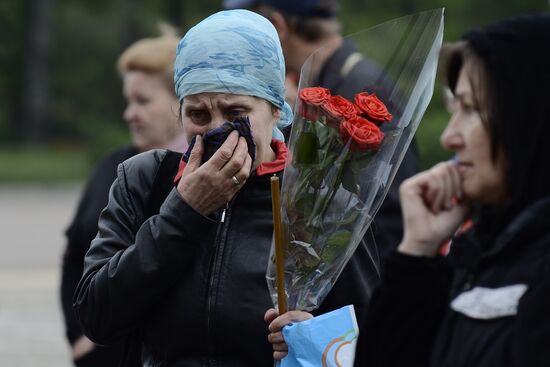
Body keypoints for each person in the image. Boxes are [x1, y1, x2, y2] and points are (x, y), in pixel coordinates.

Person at [73, 9, 378, 366]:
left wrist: (316, 339)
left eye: (236, 113)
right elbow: (96, 316)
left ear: (276, 110)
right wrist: (183, 213)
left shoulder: (317, 199)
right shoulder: (145, 180)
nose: (218, 131)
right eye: (198, 115)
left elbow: (375, 337)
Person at [268, 13, 550, 366]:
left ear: (531, 119)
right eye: (453, 110)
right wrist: (417, 254)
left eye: (472, 110)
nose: (450, 137)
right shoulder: (480, 252)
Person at [223, 0, 420, 258]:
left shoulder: (361, 88)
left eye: (246, 36)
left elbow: (389, 214)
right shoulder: (331, 81)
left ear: (277, 26)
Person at [60, 30, 186, 367]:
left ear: (182, 102)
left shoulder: (203, 180)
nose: (129, 114)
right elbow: (74, 253)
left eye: (142, 101)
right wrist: (78, 337)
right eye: (127, 101)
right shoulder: (112, 166)